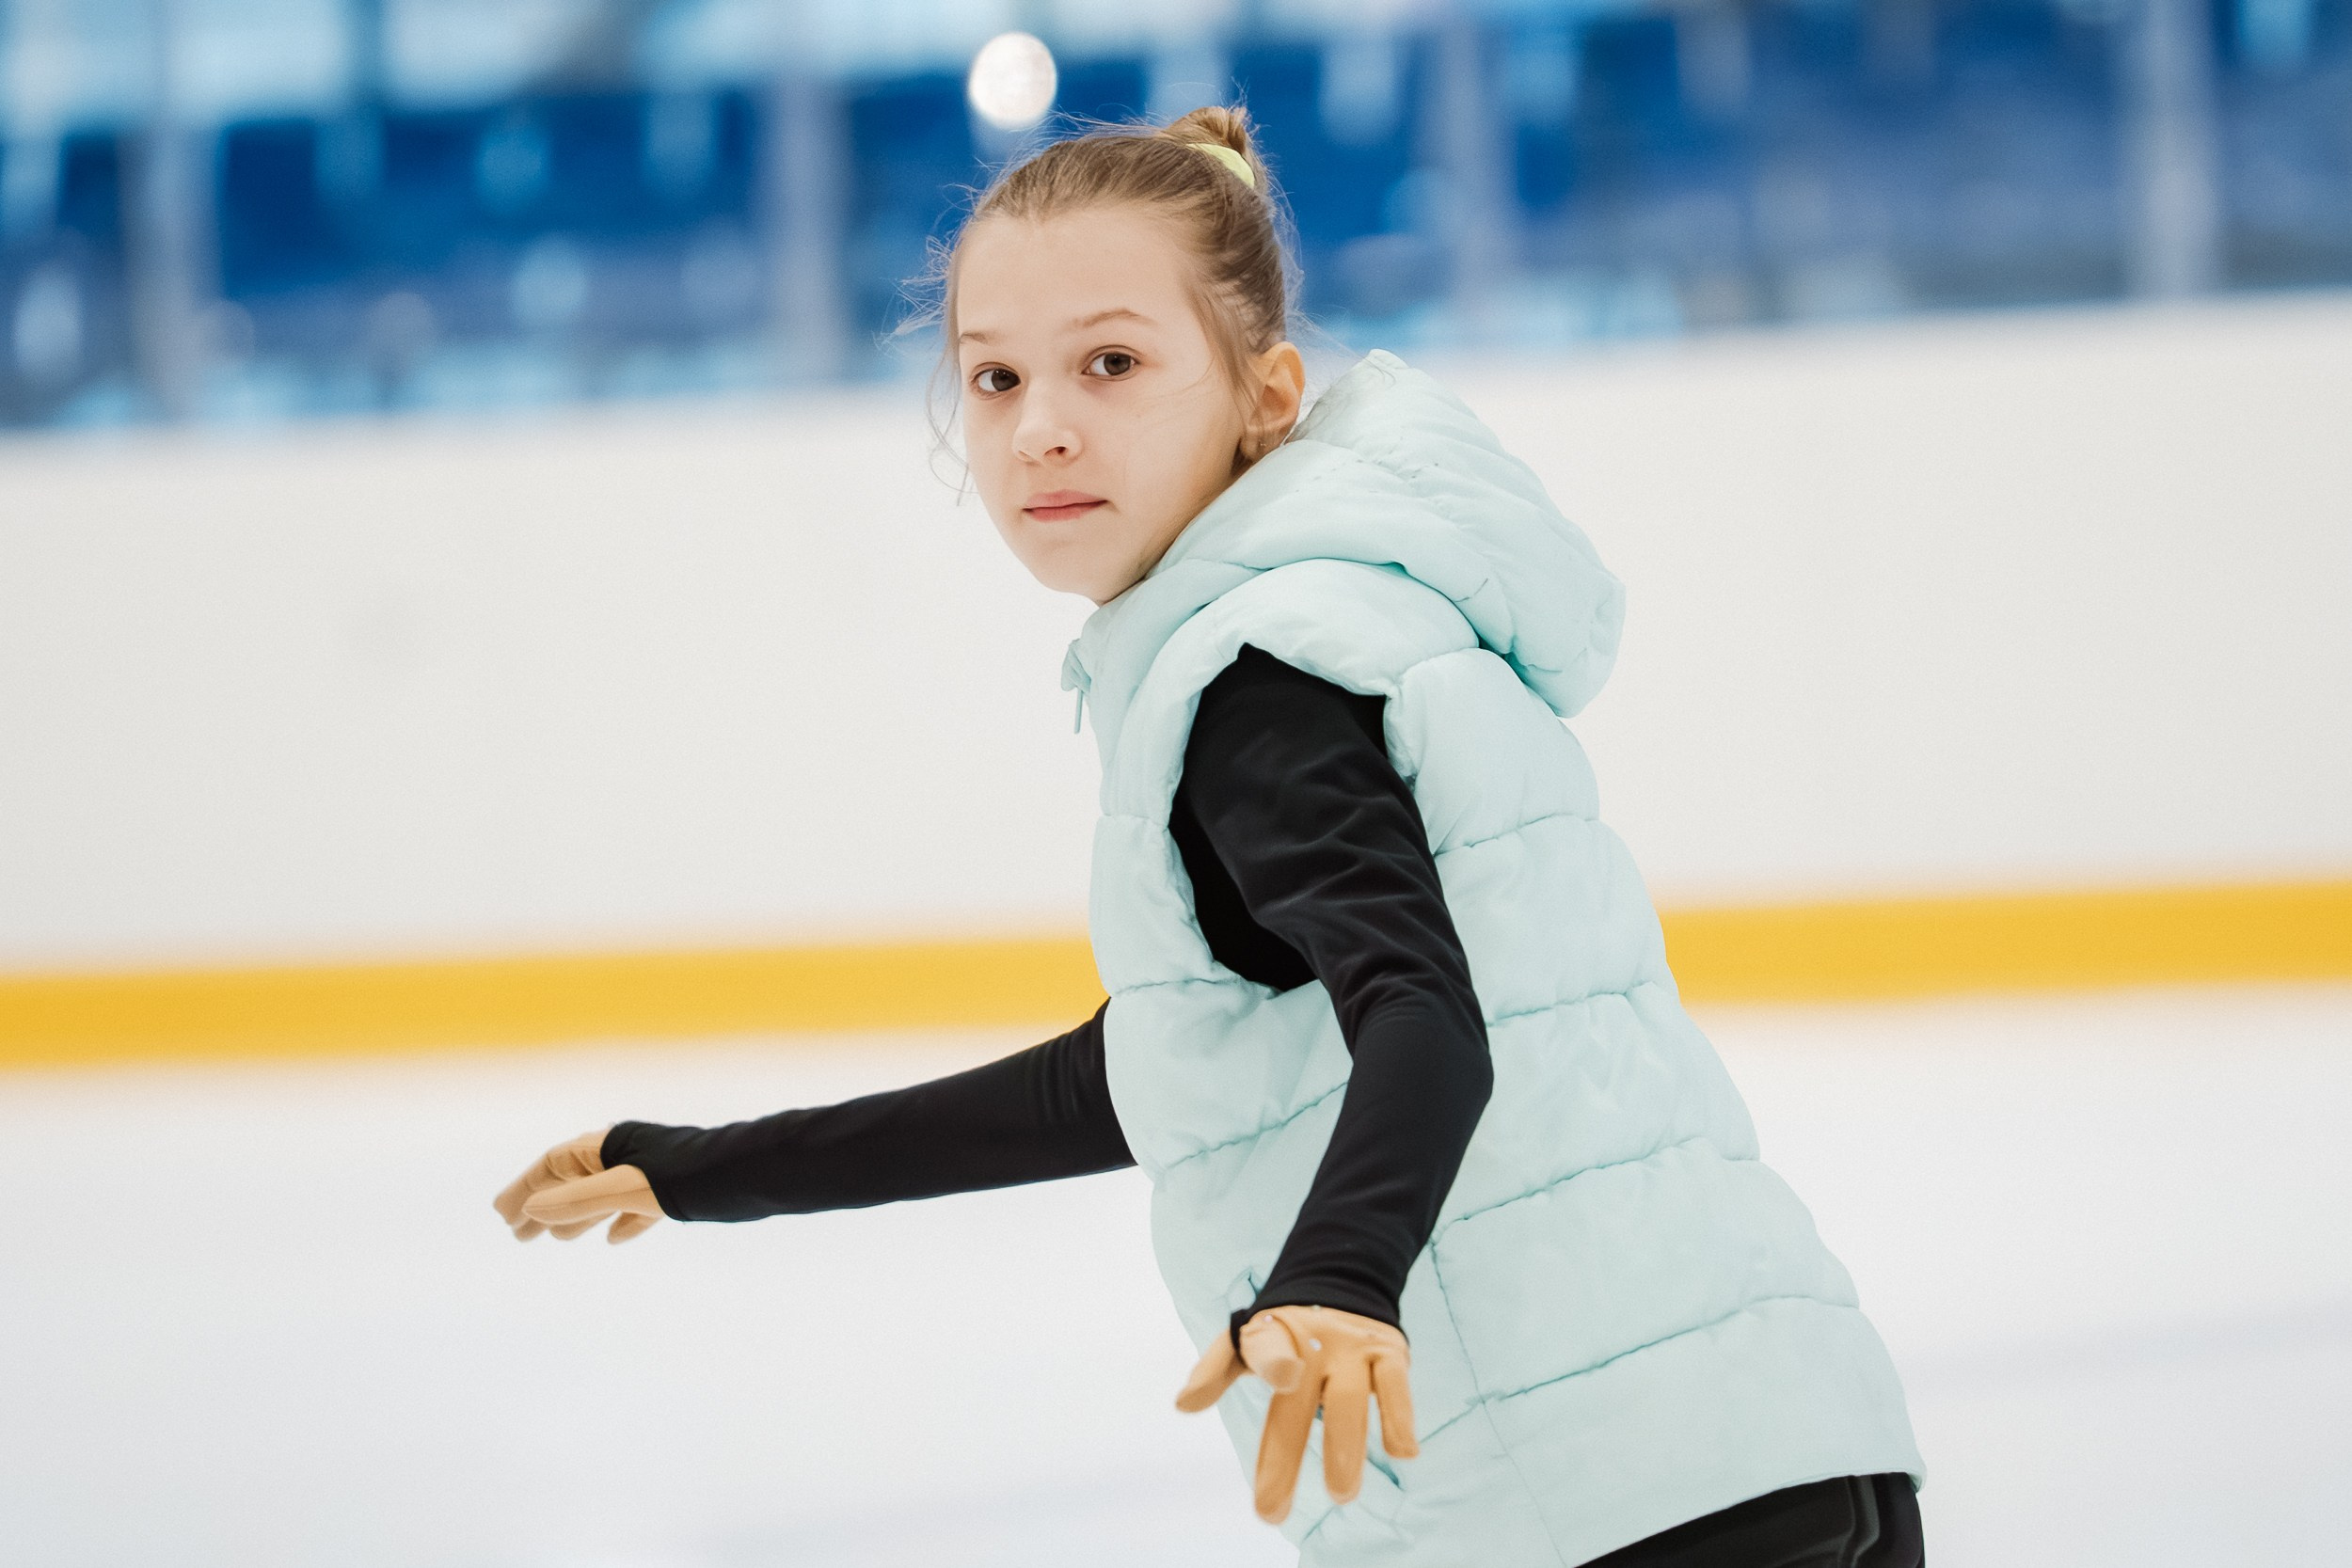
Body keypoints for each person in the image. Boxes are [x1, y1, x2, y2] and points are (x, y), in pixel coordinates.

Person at [493, 106, 1926, 1567]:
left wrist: (1339, 1276)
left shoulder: (1259, 684)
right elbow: (1155, 1074)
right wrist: (710, 1169)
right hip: (1775, 1445)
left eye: (1111, 364)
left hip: (1599, 1501)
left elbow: (1425, 1016)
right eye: (995, 377)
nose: (1042, 425)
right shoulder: (1352, 621)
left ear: (1265, 394)